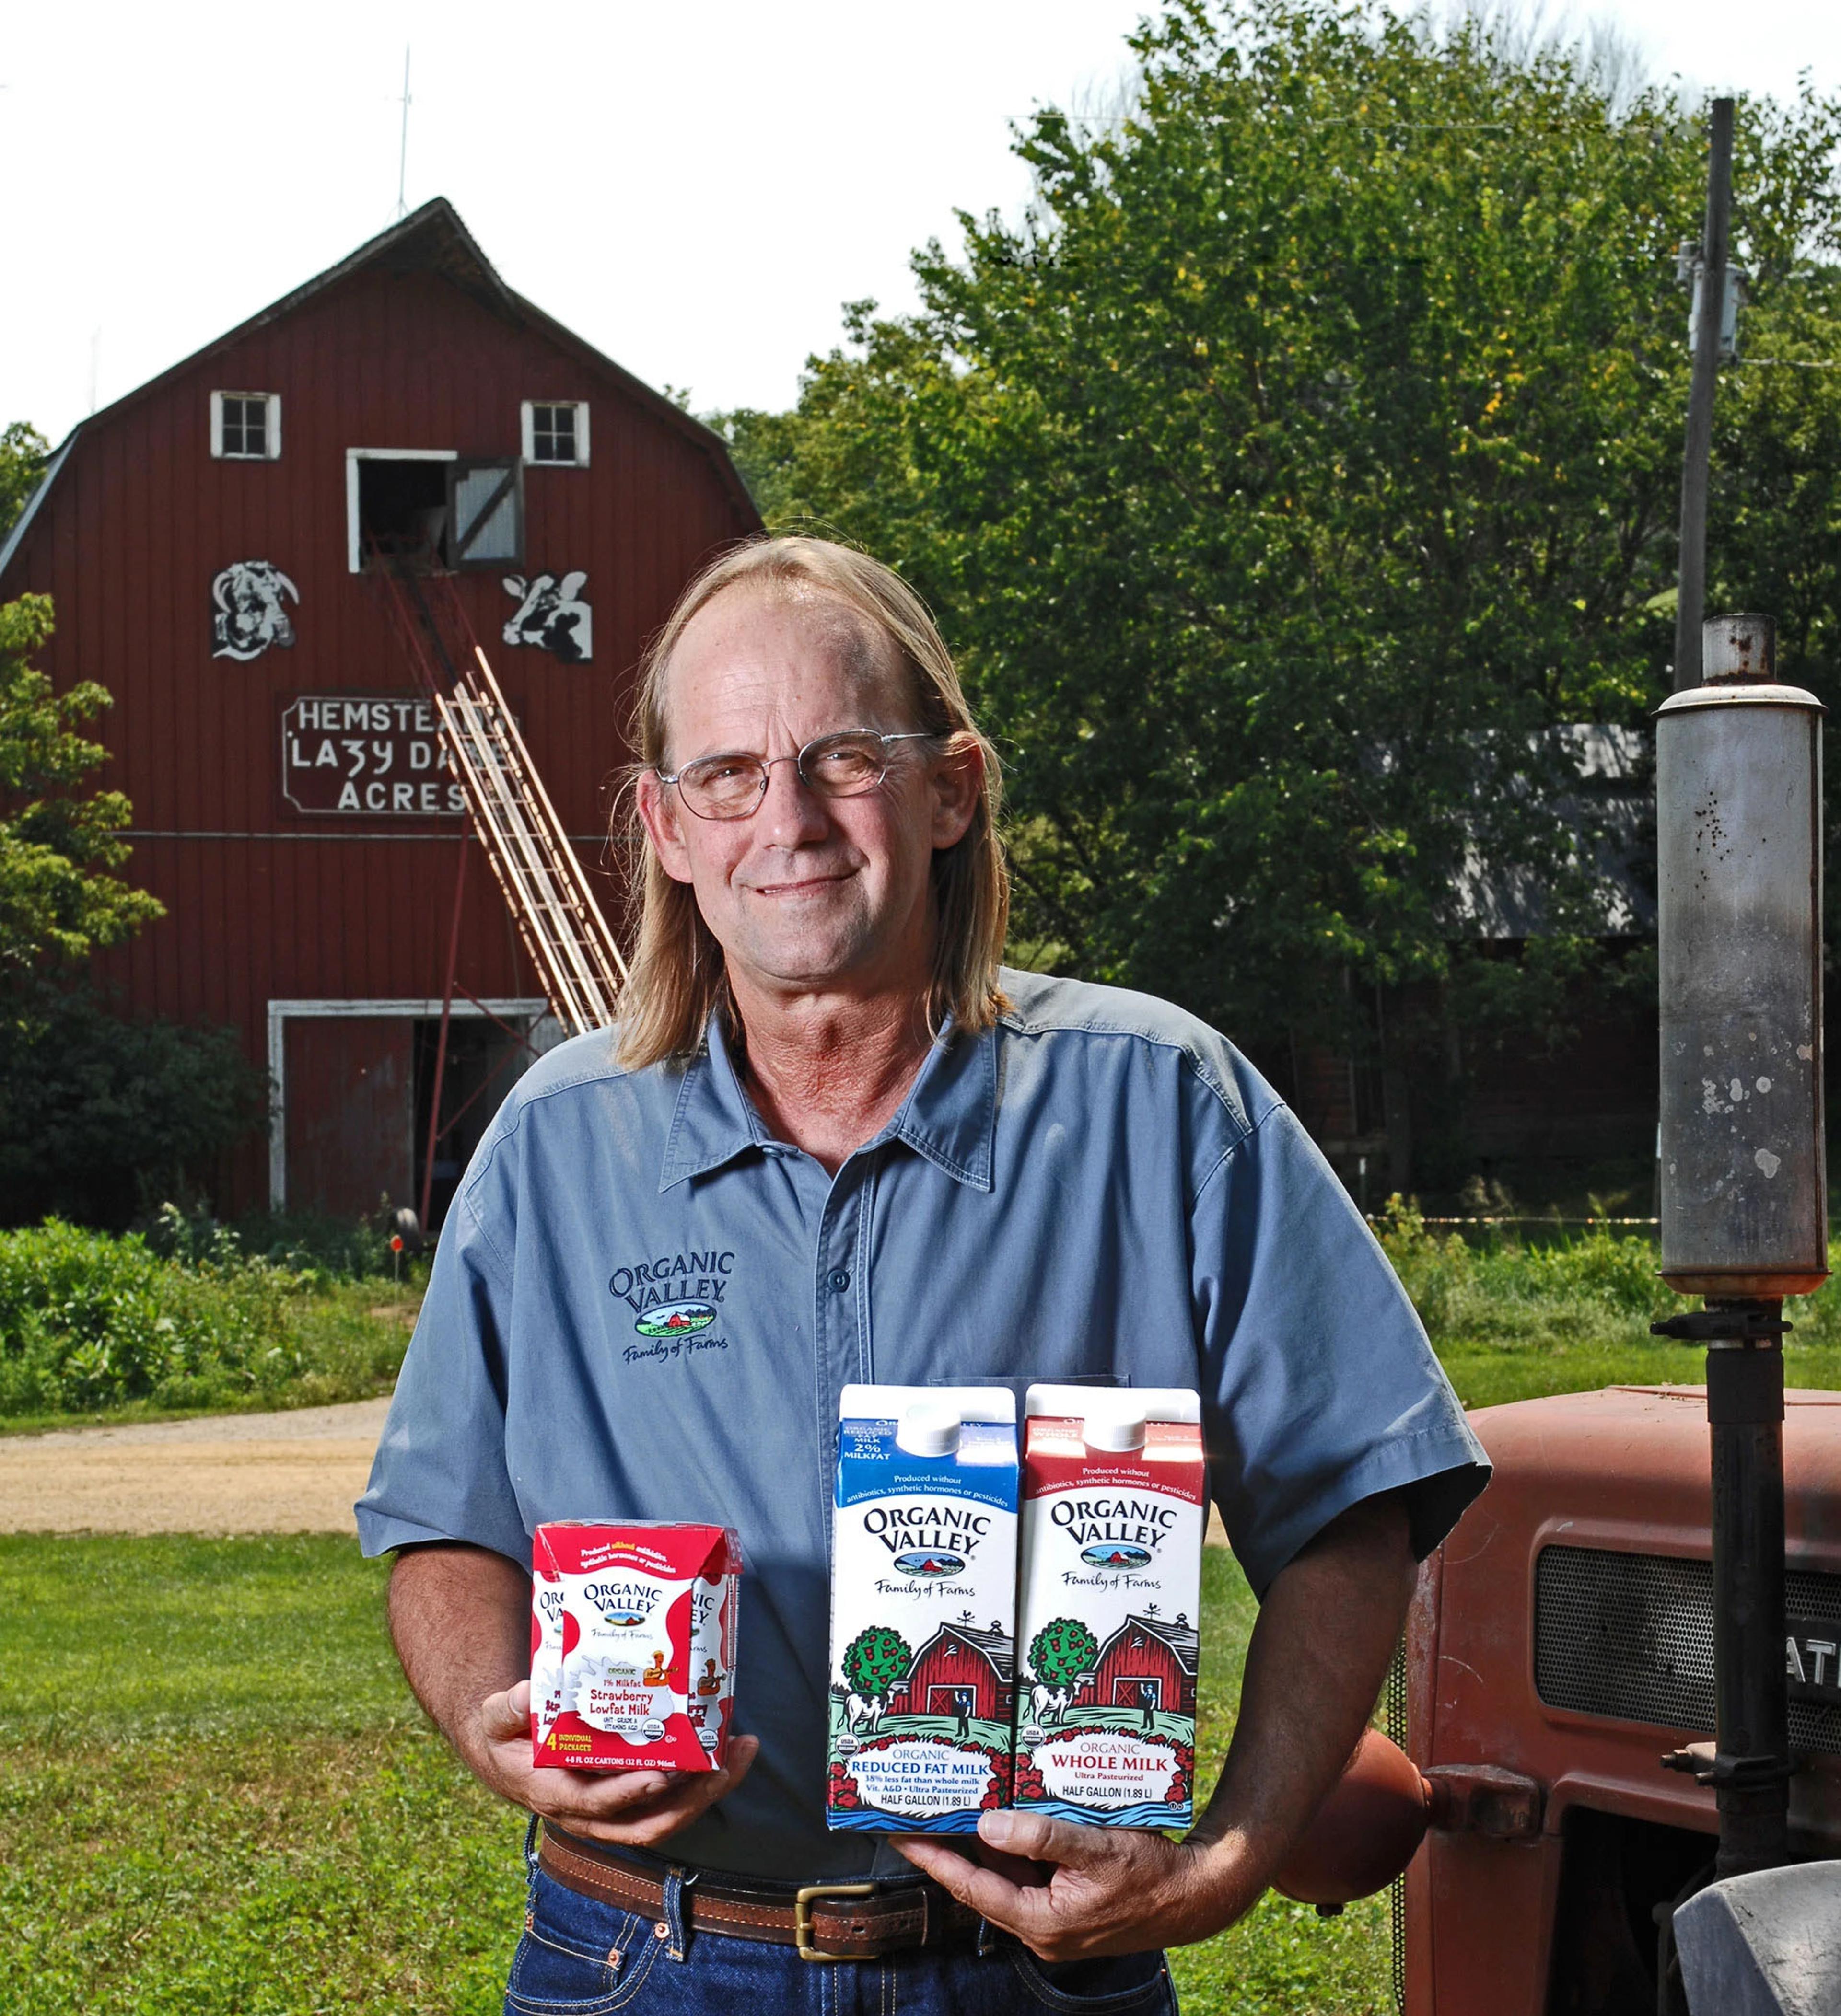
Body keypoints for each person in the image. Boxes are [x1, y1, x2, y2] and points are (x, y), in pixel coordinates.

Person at [358, 536, 1489, 2014]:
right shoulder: (557, 1147)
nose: (790, 821)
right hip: (646, 1958)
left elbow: (1356, 1506)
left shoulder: (1160, 1108)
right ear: (666, 829)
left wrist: (1224, 1863)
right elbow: (445, 1527)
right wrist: (481, 1718)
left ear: (951, 788)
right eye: (729, 777)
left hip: (1033, 1966)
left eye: (842, 759)